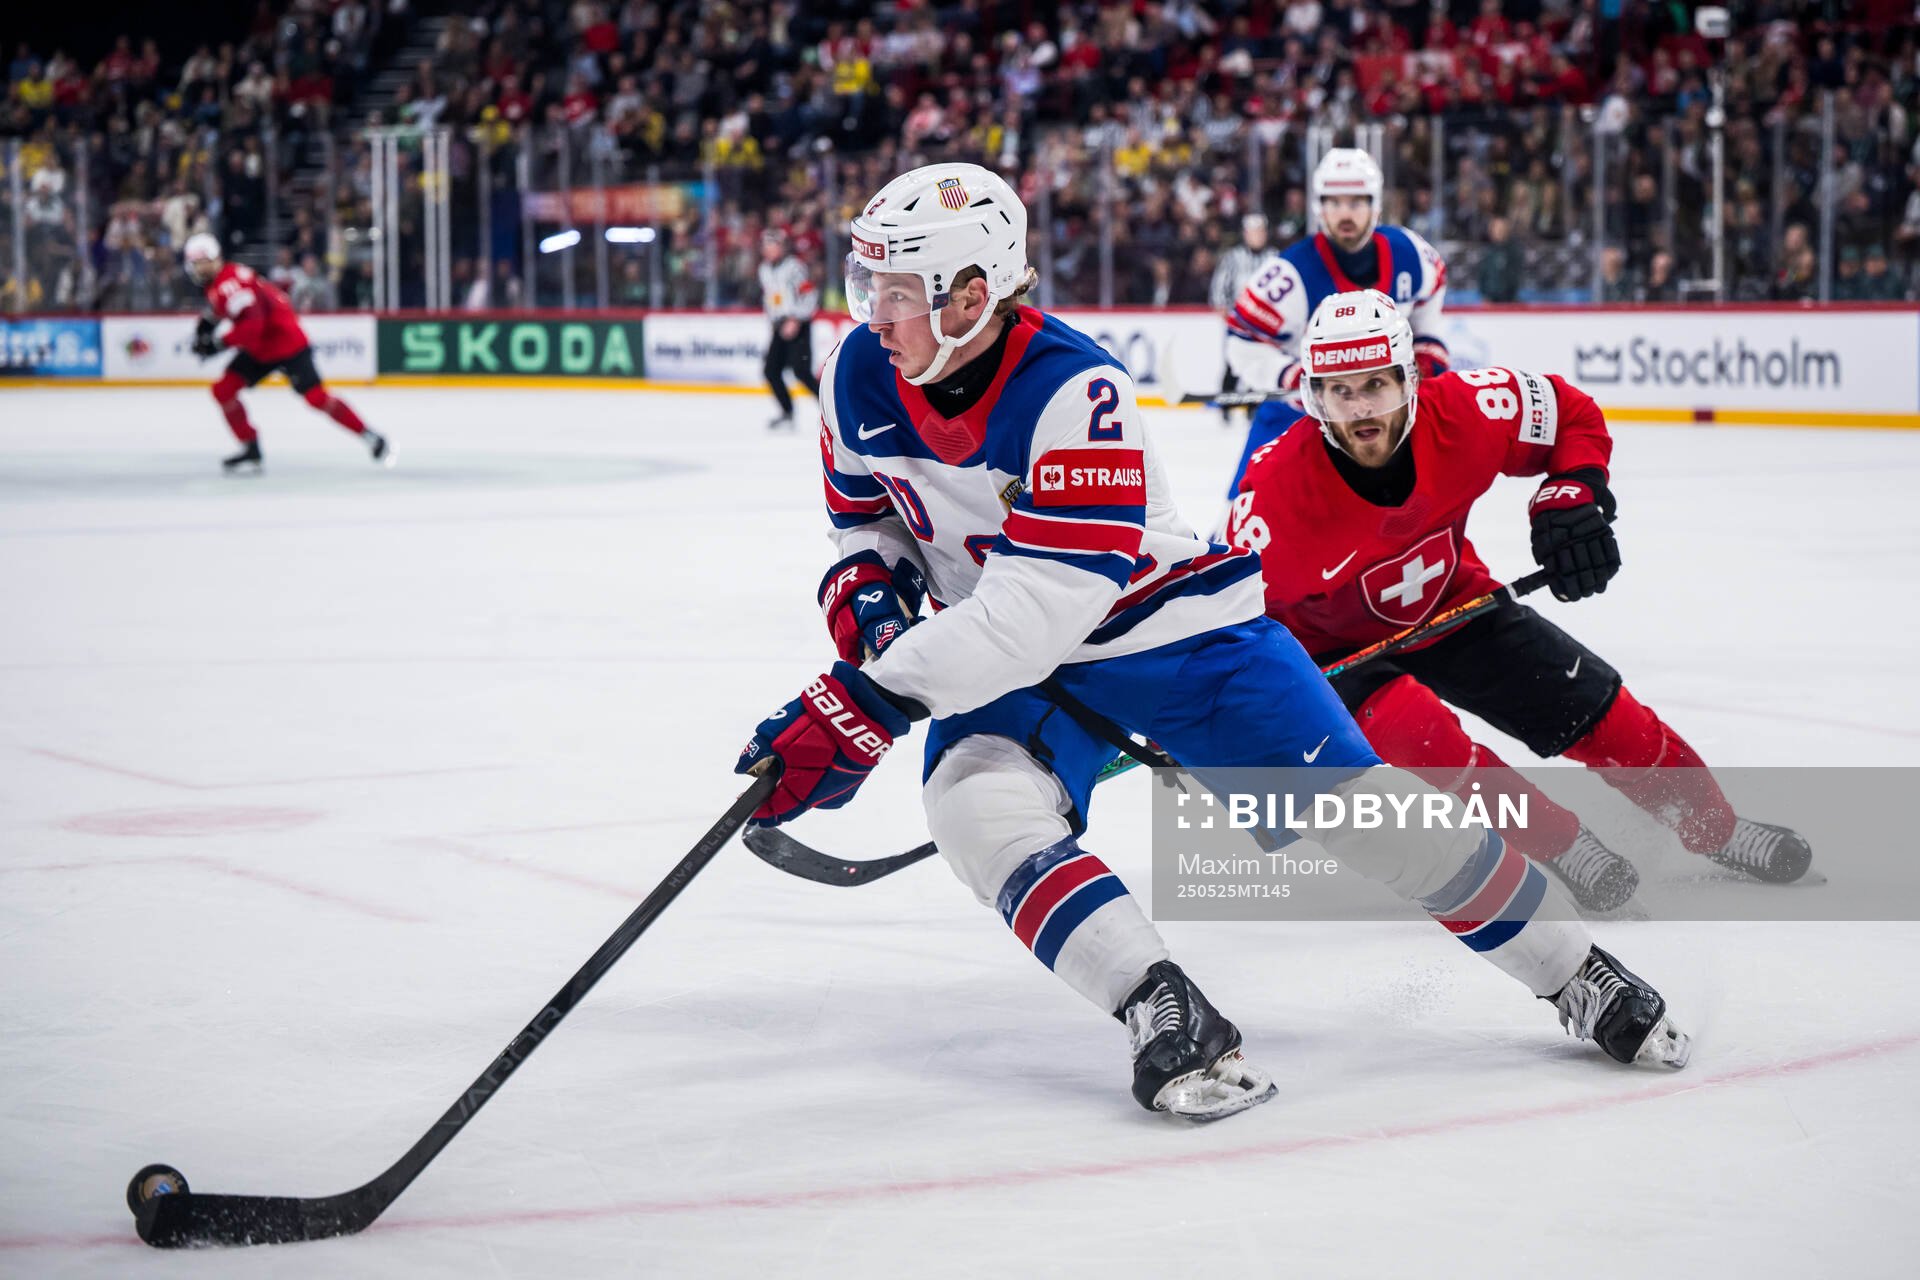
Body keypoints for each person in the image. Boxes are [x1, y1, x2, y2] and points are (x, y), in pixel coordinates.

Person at [732, 163, 1691, 1123]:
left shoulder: (1076, 390)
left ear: (972, 295)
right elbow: (865, 527)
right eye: (869, 286)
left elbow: (1040, 608)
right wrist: (874, 617)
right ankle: (1164, 1007)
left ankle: (1576, 971)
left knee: (1374, 819)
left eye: (896, 292)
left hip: (1172, 638)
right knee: (976, 810)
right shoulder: (857, 371)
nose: (872, 312)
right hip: (1002, 655)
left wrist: (870, 699)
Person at [1225, 289, 1813, 912]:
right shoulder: (1274, 497)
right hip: (1335, 652)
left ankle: (1717, 829)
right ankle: (1563, 846)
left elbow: (1568, 411)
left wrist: (1572, 490)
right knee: (1423, 737)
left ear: (1412, 378)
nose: (1361, 410)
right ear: (1314, 396)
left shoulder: (1467, 411)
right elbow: (1225, 618)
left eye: (1377, 384)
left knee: (1608, 717)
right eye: (1340, 391)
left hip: (1455, 605)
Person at [1220, 148, 1450, 497]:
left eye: (1356, 202)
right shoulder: (1290, 275)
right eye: (1335, 202)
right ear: (1319, 208)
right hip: (1295, 420)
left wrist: (1427, 344)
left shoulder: (1411, 253)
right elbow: (1242, 340)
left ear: (1375, 205)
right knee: (1244, 520)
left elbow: (1430, 296)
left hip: (1378, 414)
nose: (1345, 213)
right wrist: (1293, 378)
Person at [183, 233, 387, 472]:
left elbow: (252, 327)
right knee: (223, 390)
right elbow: (235, 311)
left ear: (212, 259)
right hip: (262, 347)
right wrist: (208, 323)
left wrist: (218, 344)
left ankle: (368, 434)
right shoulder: (225, 279)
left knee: (317, 398)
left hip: (286, 344)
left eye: (198, 263)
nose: (196, 269)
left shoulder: (229, 284)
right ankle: (250, 447)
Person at [1207, 213, 1269, 423]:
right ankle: (1227, 404)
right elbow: (1220, 284)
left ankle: (1254, 407)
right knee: (1233, 363)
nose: (1256, 236)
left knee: (1259, 364)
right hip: (1239, 321)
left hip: (1264, 323)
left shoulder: (1273, 257)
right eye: (1253, 232)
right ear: (1246, 234)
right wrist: (1221, 306)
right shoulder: (1234, 257)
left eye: (1259, 232)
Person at [758, 228, 820, 430]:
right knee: (771, 370)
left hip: (797, 324)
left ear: (782, 246)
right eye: (766, 245)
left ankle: (832, 409)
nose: (768, 249)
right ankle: (787, 412)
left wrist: (796, 318)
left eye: (772, 244)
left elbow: (809, 294)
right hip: (779, 325)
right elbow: (770, 298)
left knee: (801, 371)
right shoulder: (764, 270)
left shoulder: (794, 267)